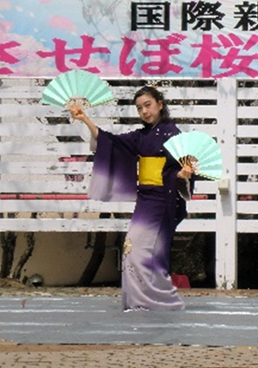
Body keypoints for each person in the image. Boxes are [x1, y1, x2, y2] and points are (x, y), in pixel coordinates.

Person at [70, 85, 194, 311]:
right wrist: (85, 119)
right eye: (139, 108)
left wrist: (181, 174)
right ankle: (141, 301)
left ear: (160, 104)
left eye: (148, 105)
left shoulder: (174, 134)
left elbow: (177, 169)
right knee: (132, 250)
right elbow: (111, 142)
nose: (144, 111)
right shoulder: (142, 136)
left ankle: (160, 302)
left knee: (144, 253)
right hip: (146, 199)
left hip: (162, 200)